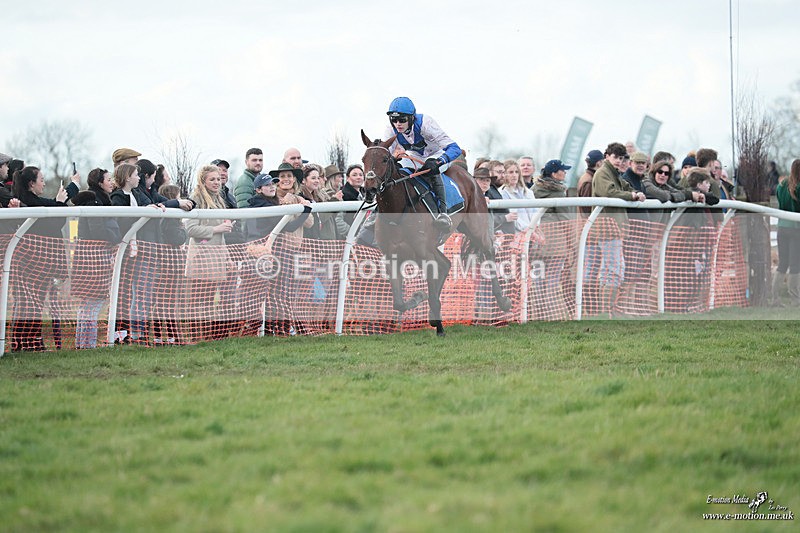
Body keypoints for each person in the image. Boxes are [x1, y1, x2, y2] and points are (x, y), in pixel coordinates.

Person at [10, 166, 69, 351]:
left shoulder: (33, 200)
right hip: (31, 262)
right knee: (29, 305)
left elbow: (53, 209)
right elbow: (53, 223)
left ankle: (29, 343)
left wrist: (60, 201)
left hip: (36, 262)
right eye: (41, 179)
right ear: (31, 183)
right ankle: (27, 343)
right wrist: (59, 203)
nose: (44, 183)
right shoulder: (27, 202)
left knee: (33, 304)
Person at [383, 96, 463, 231]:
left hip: (437, 154)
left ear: (412, 118)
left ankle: (443, 214)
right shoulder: (391, 129)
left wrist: (439, 161)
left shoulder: (426, 123)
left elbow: (455, 149)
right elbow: (386, 153)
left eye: (402, 120)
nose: (398, 124)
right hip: (415, 155)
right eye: (394, 120)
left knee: (432, 171)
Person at [591, 142, 646, 316]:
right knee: (614, 270)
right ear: (607, 156)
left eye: (622, 158)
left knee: (613, 270)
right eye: (615, 157)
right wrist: (632, 195)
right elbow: (610, 192)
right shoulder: (603, 174)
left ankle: (607, 310)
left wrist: (633, 192)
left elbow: (624, 187)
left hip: (613, 229)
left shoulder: (613, 174)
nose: (619, 161)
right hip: (607, 229)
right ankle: (607, 310)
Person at [183, 165, 234, 341]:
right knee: (198, 299)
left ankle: (205, 336)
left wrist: (227, 256)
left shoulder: (219, 199)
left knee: (210, 298)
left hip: (216, 256)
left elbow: (222, 232)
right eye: (212, 179)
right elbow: (191, 229)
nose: (216, 182)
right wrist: (216, 228)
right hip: (201, 256)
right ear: (203, 181)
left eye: (218, 179)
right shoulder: (196, 198)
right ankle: (195, 336)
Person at [71, 189, 121, 348]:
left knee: (86, 306)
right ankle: (88, 344)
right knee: (93, 303)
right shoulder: (94, 205)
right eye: (107, 179)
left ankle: (82, 343)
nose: (111, 182)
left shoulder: (92, 205)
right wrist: (114, 237)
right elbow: (97, 231)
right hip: (95, 261)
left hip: (88, 260)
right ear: (100, 182)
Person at [531, 159, 575, 320]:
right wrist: (572, 243)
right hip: (556, 239)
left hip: (536, 238)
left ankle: (538, 313)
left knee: (538, 279)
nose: (565, 173)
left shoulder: (534, 188)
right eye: (563, 170)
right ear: (554, 173)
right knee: (552, 278)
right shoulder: (558, 192)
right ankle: (550, 313)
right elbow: (566, 220)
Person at [773, 159, 800, 305]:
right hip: (796, 229)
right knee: (795, 264)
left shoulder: (782, 185)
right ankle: (795, 298)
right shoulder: (799, 187)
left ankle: (775, 296)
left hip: (782, 227)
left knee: (782, 263)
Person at [499, 159, 536, 232]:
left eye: (516, 172)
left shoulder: (528, 192)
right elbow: (513, 217)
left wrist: (534, 228)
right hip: (517, 234)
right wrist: (527, 230)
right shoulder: (502, 192)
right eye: (510, 172)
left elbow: (535, 211)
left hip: (532, 232)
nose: (514, 175)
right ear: (504, 174)